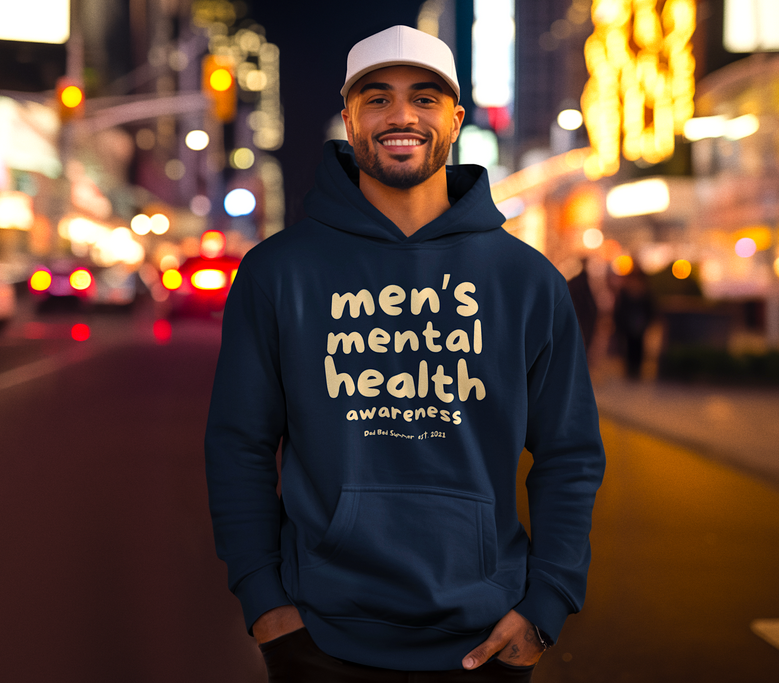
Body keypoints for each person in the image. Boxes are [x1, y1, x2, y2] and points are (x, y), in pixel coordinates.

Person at [205, 25, 605, 682]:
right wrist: (265, 602)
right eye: (377, 99)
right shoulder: (279, 272)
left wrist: (546, 604)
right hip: (319, 636)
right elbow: (238, 444)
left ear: (455, 119)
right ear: (348, 119)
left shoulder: (527, 280)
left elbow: (570, 453)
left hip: (486, 634)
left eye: (424, 98)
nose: (401, 116)